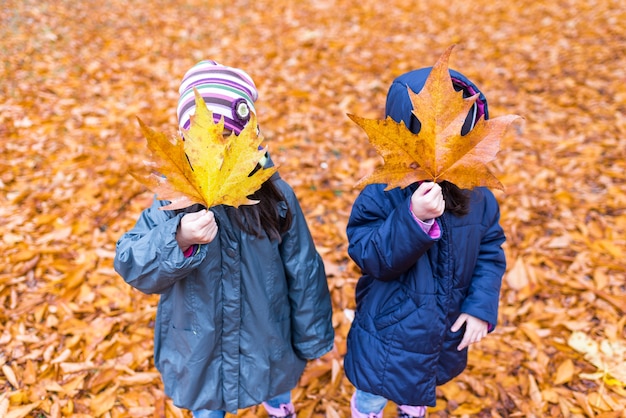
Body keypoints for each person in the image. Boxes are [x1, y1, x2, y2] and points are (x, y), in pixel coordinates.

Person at [114, 60, 334, 418]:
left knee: (276, 384)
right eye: (202, 140)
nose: (217, 152)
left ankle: (279, 406)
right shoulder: (173, 200)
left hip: (267, 339)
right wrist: (179, 235)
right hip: (199, 348)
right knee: (208, 406)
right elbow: (130, 260)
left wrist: (312, 337)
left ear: (249, 141)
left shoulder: (274, 196)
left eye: (229, 139)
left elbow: (303, 268)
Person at [343, 67, 507, 418]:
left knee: (419, 390)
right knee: (373, 393)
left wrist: (480, 307)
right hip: (386, 331)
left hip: (442, 330)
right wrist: (413, 218)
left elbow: (490, 252)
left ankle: (411, 410)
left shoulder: (478, 197)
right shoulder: (383, 192)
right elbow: (369, 255)